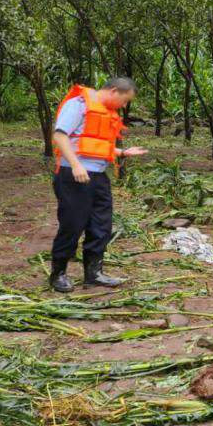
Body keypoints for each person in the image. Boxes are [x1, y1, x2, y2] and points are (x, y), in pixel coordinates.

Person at [49, 77, 147, 293]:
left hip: (99, 176)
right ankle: (59, 273)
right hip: (74, 176)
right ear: (114, 91)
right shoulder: (79, 104)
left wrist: (122, 152)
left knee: (101, 225)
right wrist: (75, 165)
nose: (123, 106)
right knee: (72, 224)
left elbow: (93, 145)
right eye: (124, 100)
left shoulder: (105, 111)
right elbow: (60, 135)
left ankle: (93, 273)